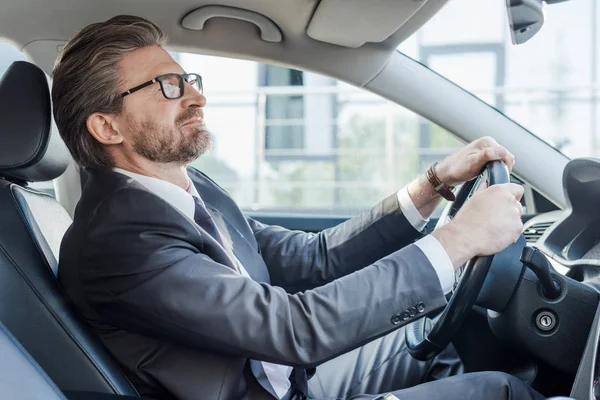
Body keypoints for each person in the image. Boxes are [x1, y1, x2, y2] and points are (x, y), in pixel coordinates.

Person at [52, 15, 542, 400]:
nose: (198, 97)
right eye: (168, 86)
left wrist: (433, 183)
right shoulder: (116, 244)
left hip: (293, 381)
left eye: (190, 79)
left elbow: (314, 258)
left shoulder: (189, 190)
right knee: (499, 391)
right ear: (107, 128)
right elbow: (293, 329)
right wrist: (459, 241)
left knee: (434, 336)